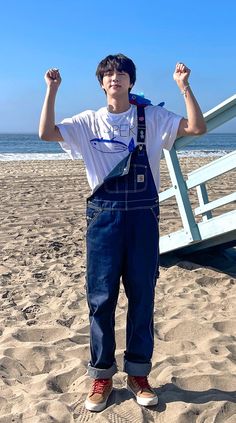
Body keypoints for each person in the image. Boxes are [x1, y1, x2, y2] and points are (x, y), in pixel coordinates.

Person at [39, 54, 206, 412]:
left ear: (130, 81)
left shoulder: (151, 116)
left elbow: (196, 128)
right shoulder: (88, 121)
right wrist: (51, 90)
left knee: (142, 296)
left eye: (121, 73)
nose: (115, 77)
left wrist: (184, 87)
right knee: (101, 300)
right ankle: (102, 374)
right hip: (102, 219)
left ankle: (138, 374)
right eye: (109, 73)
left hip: (143, 218)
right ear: (102, 83)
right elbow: (46, 133)